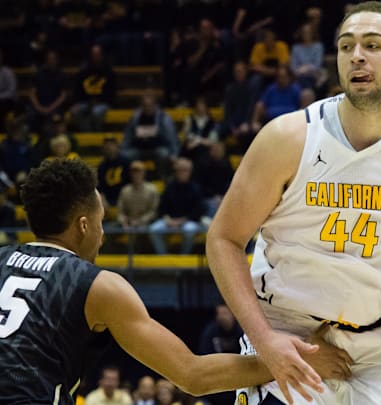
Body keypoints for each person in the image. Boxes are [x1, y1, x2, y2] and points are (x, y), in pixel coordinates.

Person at [205, 2, 381, 404]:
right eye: (346, 46)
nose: (357, 55)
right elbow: (223, 239)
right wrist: (264, 340)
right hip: (290, 333)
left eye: (373, 45)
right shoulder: (288, 137)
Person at [0, 158, 352, 404]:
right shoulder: (97, 286)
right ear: (82, 225)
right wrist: (287, 364)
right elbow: (192, 375)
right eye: (101, 222)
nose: (103, 235)